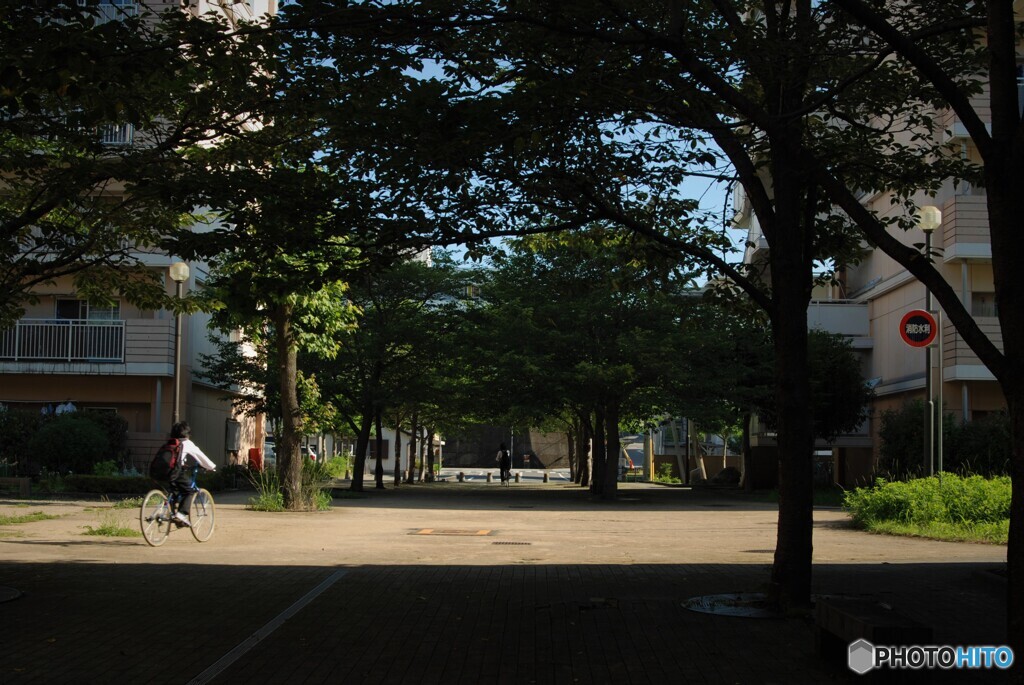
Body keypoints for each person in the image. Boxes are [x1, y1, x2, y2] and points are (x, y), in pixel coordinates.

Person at [166, 421, 216, 527]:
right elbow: (201, 457)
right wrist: (211, 467)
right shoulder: (187, 443)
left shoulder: (169, 442)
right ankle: (181, 515)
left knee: (174, 492)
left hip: (162, 472)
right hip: (175, 472)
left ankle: (172, 514)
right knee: (189, 490)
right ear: (187, 433)